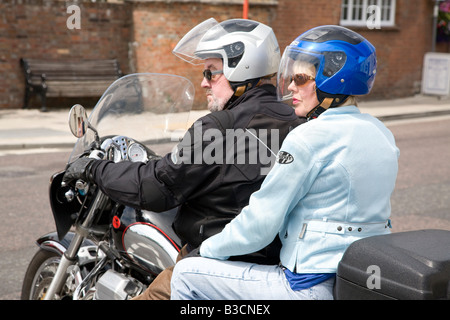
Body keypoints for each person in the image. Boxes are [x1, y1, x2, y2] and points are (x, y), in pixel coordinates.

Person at [62, 18, 304, 300]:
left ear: (242, 69)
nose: (203, 83)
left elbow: (155, 187)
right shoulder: (296, 121)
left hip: (216, 263)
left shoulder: (218, 128)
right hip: (278, 263)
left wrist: (95, 168)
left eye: (211, 72)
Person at [170, 25, 400, 300]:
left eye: (300, 78)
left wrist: (206, 249)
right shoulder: (382, 134)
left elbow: (258, 227)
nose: (291, 86)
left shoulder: (308, 137)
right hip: (356, 280)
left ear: (333, 79)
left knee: (186, 274)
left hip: (305, 287)